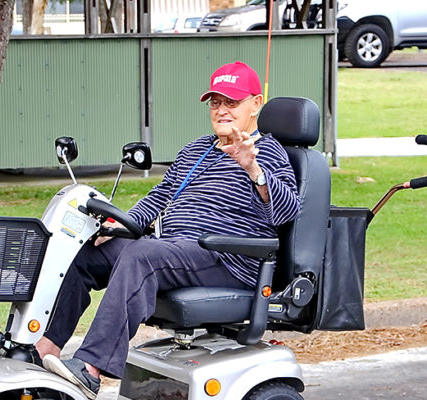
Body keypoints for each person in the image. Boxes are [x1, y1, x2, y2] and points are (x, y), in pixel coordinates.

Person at [39, 61, 301, 399]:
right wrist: (123, 223)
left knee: (142, 256)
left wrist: (252, 168)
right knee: (89, 254)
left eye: (232, 102)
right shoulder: (197, 149)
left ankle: (90, 368)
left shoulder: (268, 151)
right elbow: (160, 195)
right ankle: (44, 349)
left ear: (256, 104)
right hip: (177, 249)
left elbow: (287, 211)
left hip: (227, 258)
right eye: (216, 102)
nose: (222, 110)